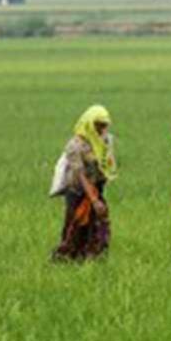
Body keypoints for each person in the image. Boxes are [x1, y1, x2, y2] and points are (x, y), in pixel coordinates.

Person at [52, 105, 117, 262]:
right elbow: (80, 174)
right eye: (98, 125)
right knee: (75, 225)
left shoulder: (104, 141)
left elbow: (107, 164)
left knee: (98, 225)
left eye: (104, 125)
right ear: (89, 123)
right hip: (78, 191)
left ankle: (93, 259)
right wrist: (94, 200)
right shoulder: (75, 145)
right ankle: (65, 259)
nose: (102, 128)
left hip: (96, 188)